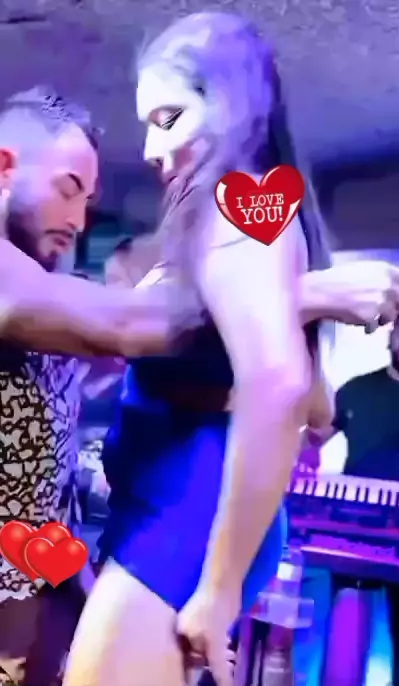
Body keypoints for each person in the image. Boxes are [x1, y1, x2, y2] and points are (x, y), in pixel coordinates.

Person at [62, 13, 399, 686]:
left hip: (183, 516)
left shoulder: (234, 211)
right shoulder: (254, 222)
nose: (150, 148)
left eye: (168, 118)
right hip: (173, 512)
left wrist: (219, 590)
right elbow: (314, 402)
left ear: (230, 105)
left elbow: (281, 387)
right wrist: (299, 298)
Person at [0, 84, 211, 686]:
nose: (78, 219)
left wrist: (85, 593)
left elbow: (36, 469)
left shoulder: (35, 287)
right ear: (4, 168)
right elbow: (120, 327)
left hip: (26, 593)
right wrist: (287, 296)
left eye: (87, 200)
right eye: (68, 189)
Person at [299, 295, 399, 686]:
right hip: (355, 533)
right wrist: (301, 454)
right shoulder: (357, 391)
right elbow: (311, 442)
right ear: (390, 334)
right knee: (345, 638)